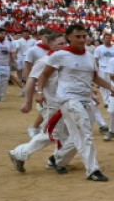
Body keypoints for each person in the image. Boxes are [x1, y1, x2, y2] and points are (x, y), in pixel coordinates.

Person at [36, 24, 114, 182]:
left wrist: (109, 86)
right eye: (78, 36)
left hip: (86, 99)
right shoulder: (60, 55)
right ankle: (92, 169)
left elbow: (94, 77)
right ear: (69, 37)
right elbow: (44, 75)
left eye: (84, 36)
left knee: (79, 134)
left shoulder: (90, 57)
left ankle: (57, 159)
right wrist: (40, 93)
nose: (82, 39)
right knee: (85, 133)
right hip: (68, 99)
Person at [8, 32, 75, 174]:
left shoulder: (65, 59)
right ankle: (20, 153)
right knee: (52, 133)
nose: (64, 46)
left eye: (65, 43)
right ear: (51, 45)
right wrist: (28, 101)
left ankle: (56, 159)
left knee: (64, 133)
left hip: (63, 102)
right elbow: (32, 79)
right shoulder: (45, 61)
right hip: (52, 103)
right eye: (60, 44)